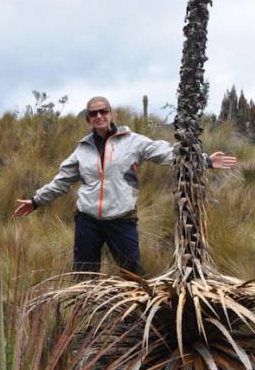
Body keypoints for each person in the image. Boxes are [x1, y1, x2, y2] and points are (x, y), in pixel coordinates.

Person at [14, 96, 236, 276]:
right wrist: (36, 201)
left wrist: (204, 160)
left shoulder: (133, 141)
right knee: (84, 276)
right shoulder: (82, 149)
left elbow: (167, 154)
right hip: (88, 221)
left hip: (121, 219)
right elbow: (61, 181)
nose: (99, 116)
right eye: (93, 113)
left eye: (103, 111)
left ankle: (134, 323)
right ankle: (83, 322)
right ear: (88, 119)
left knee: (133, 275)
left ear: (112, 114)